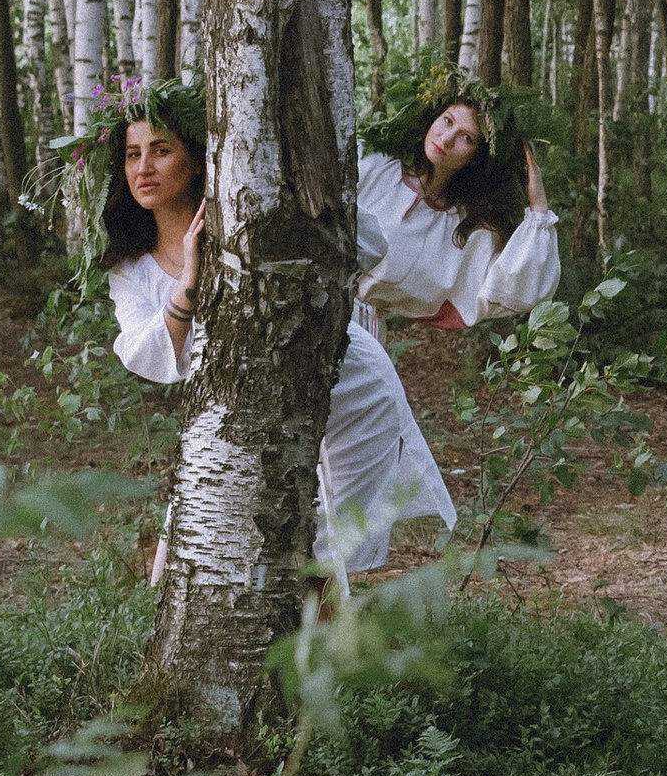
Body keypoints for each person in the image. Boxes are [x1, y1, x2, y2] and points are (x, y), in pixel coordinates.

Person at [89, 84, 457, 576]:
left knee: (336, 551)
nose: (143, 168)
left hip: (349, 384)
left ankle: (338, 649)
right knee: (200, 546)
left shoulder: (247, 214)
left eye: (160, 151)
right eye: (133, 155)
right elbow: (146, 355)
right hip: (238, 405)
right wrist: (190, 282)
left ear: (196, 161)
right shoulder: (130, 267)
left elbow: (366, 242)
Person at [356, 76, 560, 335]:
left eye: (467, 138)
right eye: (448, 120)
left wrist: (538, 205)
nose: (447, 138)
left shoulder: (463, 227)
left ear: (477, 158)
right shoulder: (375, 166)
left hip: (365, 332)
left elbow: (521, 291)